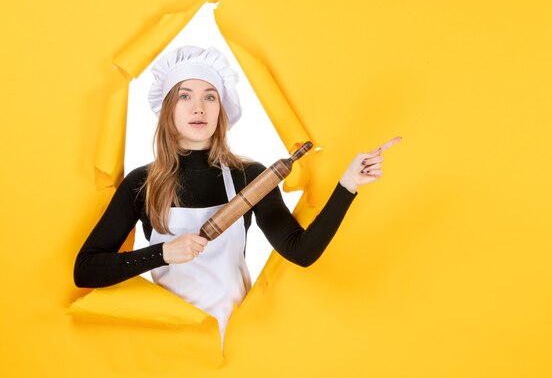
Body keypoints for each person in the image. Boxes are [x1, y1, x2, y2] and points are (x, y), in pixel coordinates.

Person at [74, 45, 400, 346]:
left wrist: (347, 186)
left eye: (210, 97)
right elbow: (86, 269)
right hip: (170, 347)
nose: (198, 107)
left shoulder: (251, 177)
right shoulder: (142, 183)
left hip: (237, 346)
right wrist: (162, 253)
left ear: (221, 109)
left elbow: (301, 251)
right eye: (185, 96)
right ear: (168, 109)